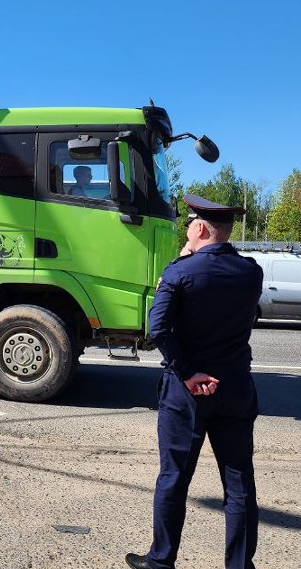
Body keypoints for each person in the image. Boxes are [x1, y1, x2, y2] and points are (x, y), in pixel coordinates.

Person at [126, 194, 263, 569]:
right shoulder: (251, 271)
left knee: (173, 477)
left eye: (190, 225)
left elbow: (158, 328)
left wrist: (187, 372)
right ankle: (239, 565)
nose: (187, 230)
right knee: (239, 484)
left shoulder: (179, 272)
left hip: (187, 391)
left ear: (200, 228)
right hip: (235, 387)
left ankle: (161, 560)